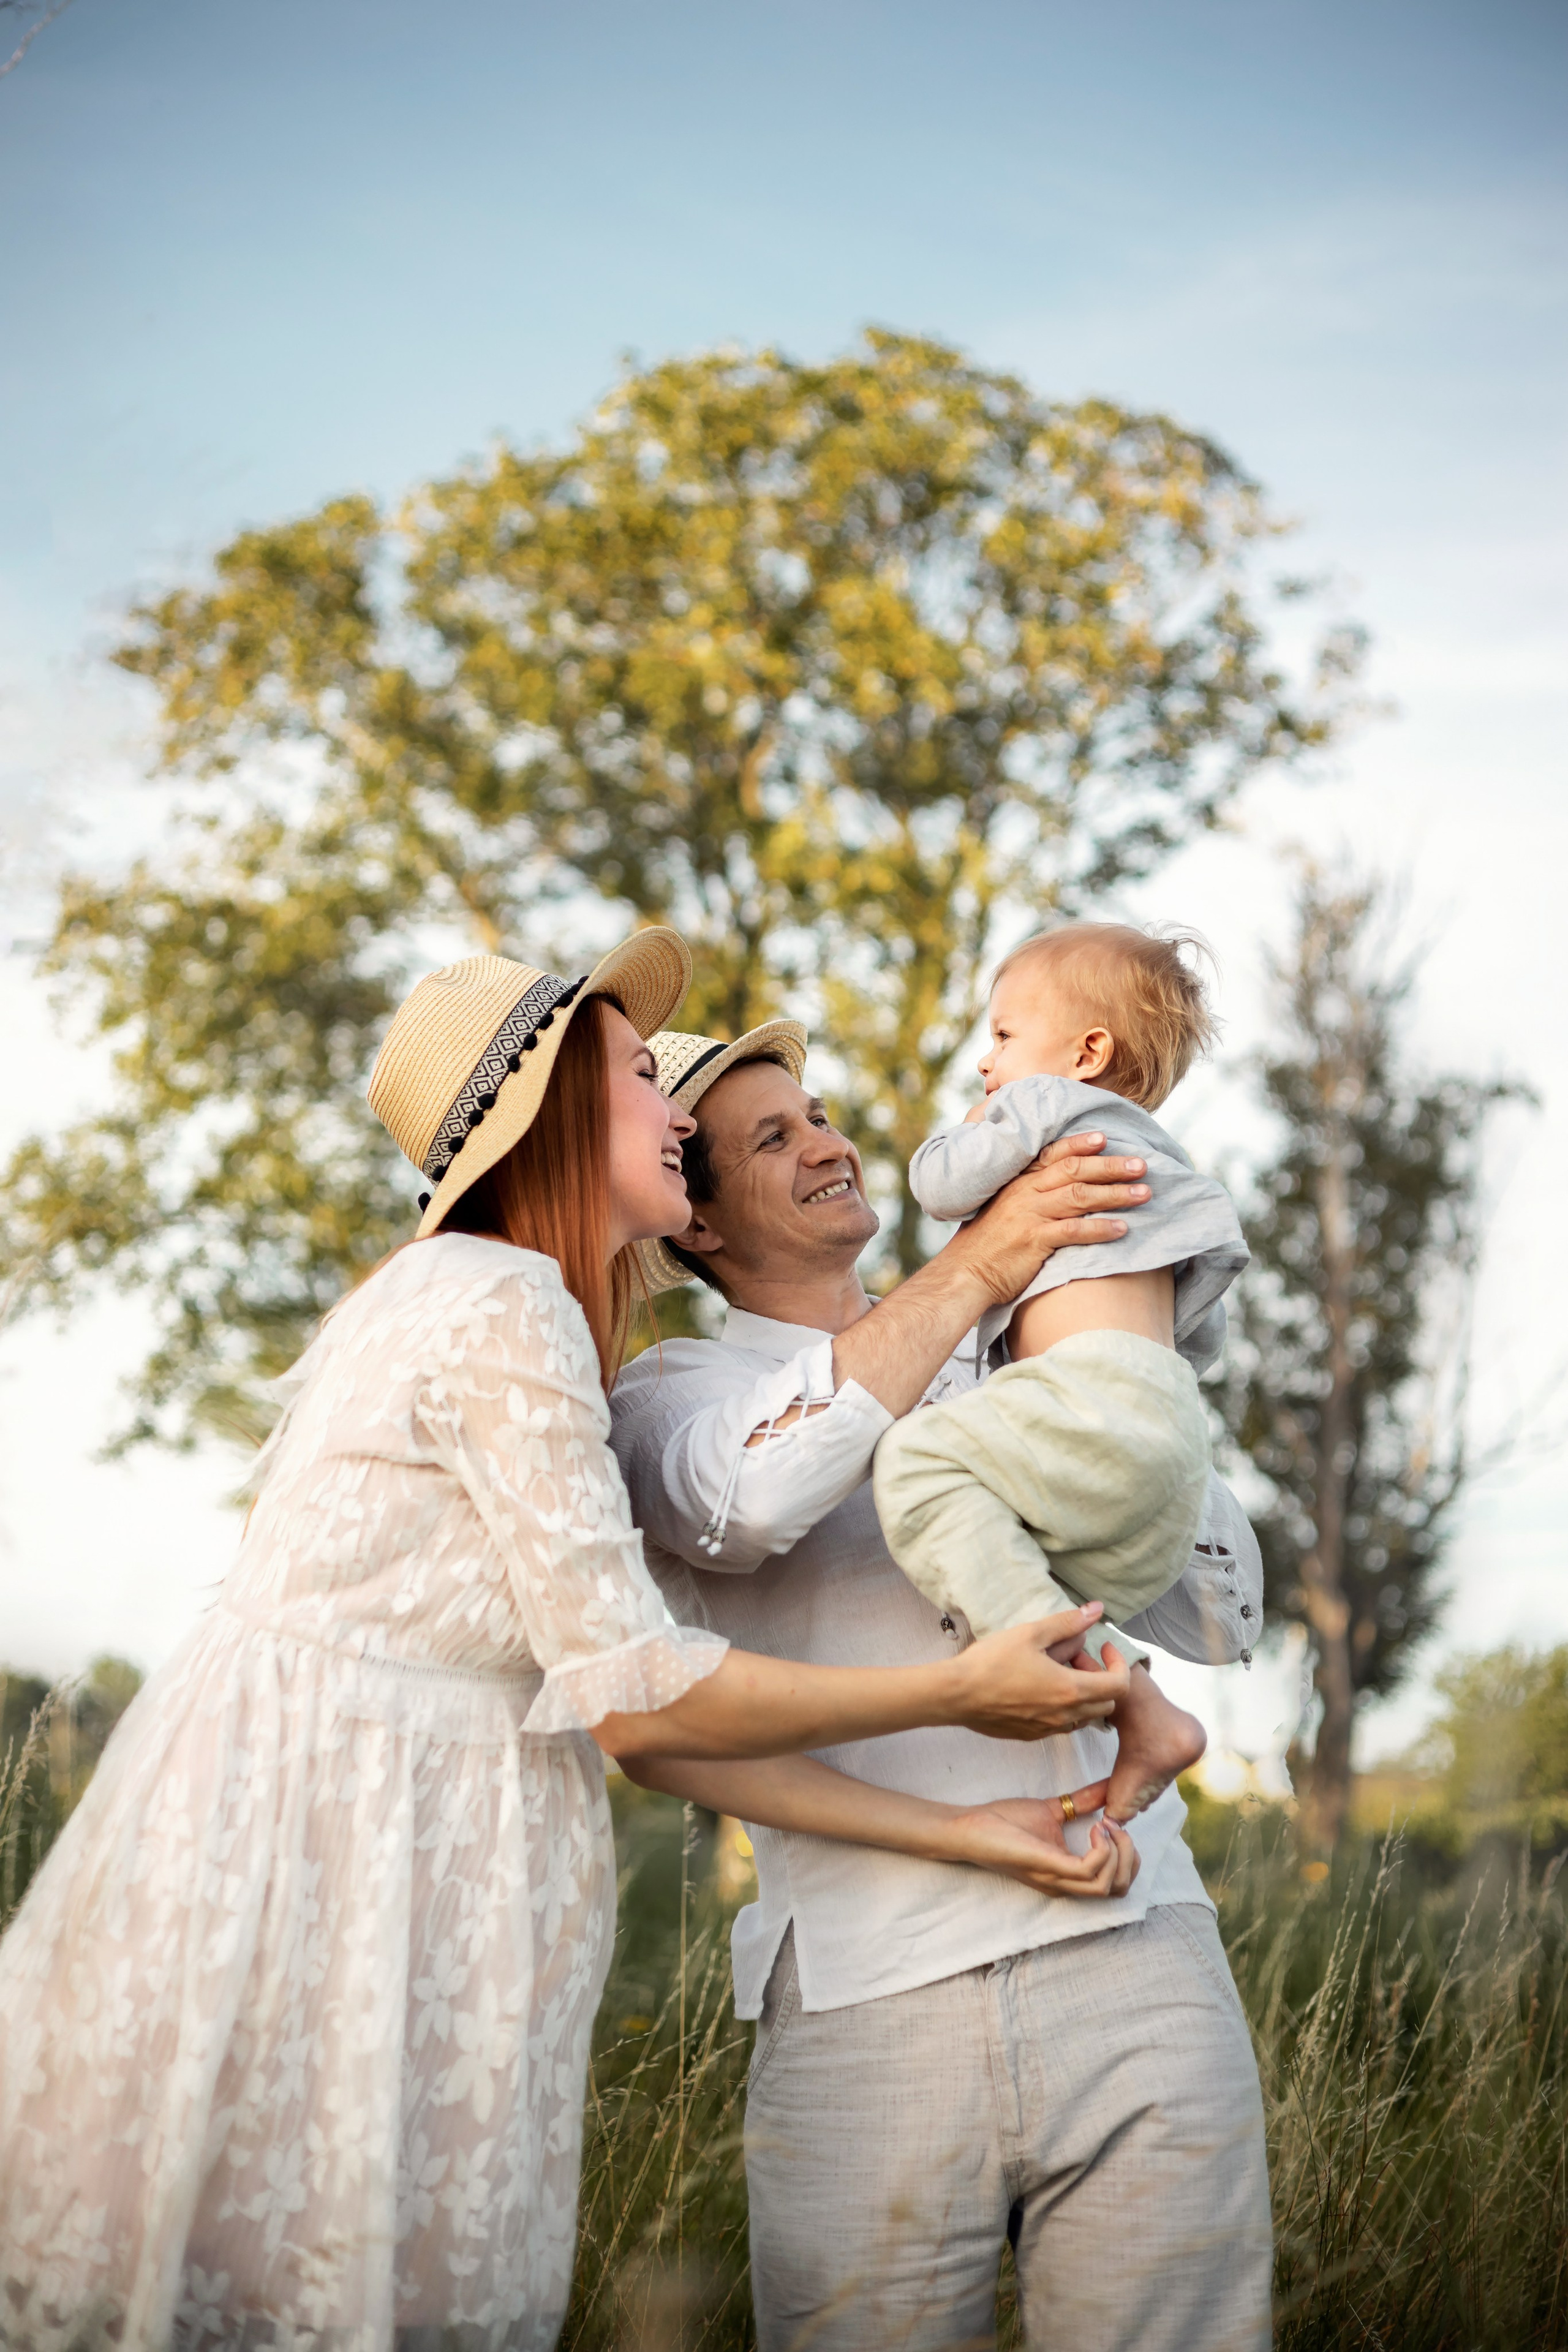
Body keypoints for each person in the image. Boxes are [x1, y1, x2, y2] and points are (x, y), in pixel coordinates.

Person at [0, 934, 1138, 2352]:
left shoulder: (468, 1301)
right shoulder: (503, 1302)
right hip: (363, 1843)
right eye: (635, 1084)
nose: (674, 1114)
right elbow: (644, 1697)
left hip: (347, 1819)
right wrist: (957, 1692)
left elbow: (643, 1710)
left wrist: (977, 1817)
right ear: (546, 1113)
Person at [609, 1019, 1272, 2352]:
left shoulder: (1021, 1340)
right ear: (696, 1221)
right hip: (872, 1995)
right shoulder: (665, 1397)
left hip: (1135, 1945)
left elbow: (1223, 1605)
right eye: (772, 1138)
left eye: (818, 1114)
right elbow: (742, 1508)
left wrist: (1116, 1391)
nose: (828, 1145)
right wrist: (984, 1264)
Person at [874, 920, 1250, 1822]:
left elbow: (939, 1186)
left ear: (1086, 1053)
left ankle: (1035, 1682)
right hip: (1172, 1448)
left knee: (920, 1466)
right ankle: (1142, 1713)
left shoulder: (1045, 1109)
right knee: (1036, 1571)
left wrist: (968, 1134)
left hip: (1092, 1395)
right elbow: (1202, 1336)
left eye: (1003, 1035)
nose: (985, 1063)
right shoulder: (1163, 1162)